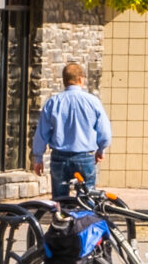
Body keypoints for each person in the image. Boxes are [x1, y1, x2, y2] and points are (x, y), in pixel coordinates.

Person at [30, 61, 112, 198]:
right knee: (87, 198)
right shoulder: (93, 102)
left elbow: (42, 132)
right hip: (85, 156)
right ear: (81, 79)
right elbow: (105, 133)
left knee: (60, 200)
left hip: (59, 157)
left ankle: (62, 218)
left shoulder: (53, 102)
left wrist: (38, 158)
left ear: (64, 81)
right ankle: (86, 219)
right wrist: (101, 150)